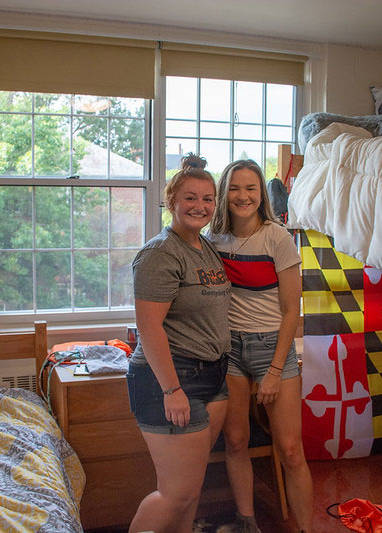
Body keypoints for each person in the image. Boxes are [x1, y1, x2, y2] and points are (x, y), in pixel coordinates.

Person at [127, 154, 232, 533]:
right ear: (171, 201)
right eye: (190, 197)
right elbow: (149, 328)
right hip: (174, 379)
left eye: (207, 199)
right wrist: (172, 389)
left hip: (212, 375)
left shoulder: (205, 248)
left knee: (191, 489)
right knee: (175, 493)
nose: (199, 206)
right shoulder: (160, 253)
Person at [209, 160, 313, 533]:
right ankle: (247, 522)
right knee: (235, 441)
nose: (243, 196)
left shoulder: (278, 238)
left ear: (261, 195)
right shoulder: (213, 240)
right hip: (230, 348)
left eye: (250, 188)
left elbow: (291, 312)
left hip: (274, 346)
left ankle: (305, 529)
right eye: (234, 188)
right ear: (224, 194)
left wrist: (273, 371)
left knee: (290, 450)